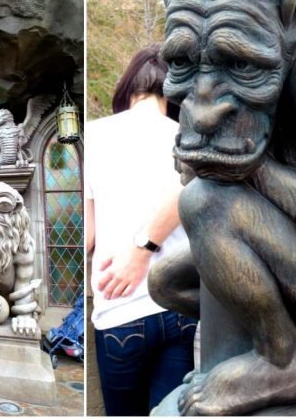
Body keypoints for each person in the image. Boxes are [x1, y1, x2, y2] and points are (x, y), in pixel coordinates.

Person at [85, 44, 196, 415]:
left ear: (129, 87)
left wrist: (138, 247)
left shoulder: (94, 135)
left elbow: (86, 237)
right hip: (180, 306)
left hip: (120, 308)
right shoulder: (189, 137)